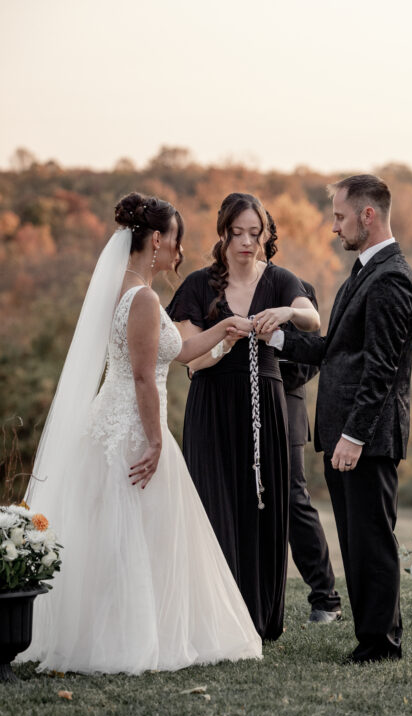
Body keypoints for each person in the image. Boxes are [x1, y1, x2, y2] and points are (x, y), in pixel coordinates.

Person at [17, 193, 261, 674]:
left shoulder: (124, 290)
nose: (179, 252)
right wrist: (155, 441)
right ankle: (130, 640)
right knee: (135, 537)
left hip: (111, 421)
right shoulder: (144, 299)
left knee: (120, 537)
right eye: (176, 241)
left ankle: (110, 632)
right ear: (155, 240)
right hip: (132, 428)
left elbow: (179, 350)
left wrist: (224, 330)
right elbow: (146, 377)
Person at [253, 175, 412, 664]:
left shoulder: (391, 277)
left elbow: (382, 368)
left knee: (371, 539)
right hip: (347, 434)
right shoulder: (364, 271)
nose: (333, 227)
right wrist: (277, 336)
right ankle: (379, 632)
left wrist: (354, 436)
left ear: (368, 215)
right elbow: (333, 350)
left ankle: (379, 646)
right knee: (358, 538)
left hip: (365, 436)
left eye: (339, 217)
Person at [167, 193, 319, 640]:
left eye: (256, 233)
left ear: (266, 236)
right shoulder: (198, 286)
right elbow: (188, 359)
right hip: (212, 404)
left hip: (265, 406)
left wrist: (288, 311)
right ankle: (215, 618)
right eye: (237, 233)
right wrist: (225, 341)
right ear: (223, 233)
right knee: (215, 506)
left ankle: (259, 617)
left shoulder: (280, 280)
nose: (246, 242)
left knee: (265, 506)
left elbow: (312, 319)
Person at [263, 212, 341, 624]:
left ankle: (325, 597)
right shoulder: (221, 289)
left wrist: (271, 368)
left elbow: (312, 361)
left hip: (286, 405)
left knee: (294, 500)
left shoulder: (296, 289)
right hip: (234, 410)